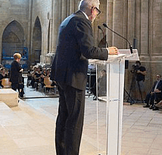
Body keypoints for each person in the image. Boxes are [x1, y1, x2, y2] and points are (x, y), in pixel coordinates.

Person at [50, 0, 119, 154]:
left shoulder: (68, 19)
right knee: (74, 121)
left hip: (62, 75)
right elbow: (88, 51)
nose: (97, 15)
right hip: (73, 77)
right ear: (92, 9)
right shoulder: (83, 21)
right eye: (98, 11)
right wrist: (108, 52)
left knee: (64, 117)